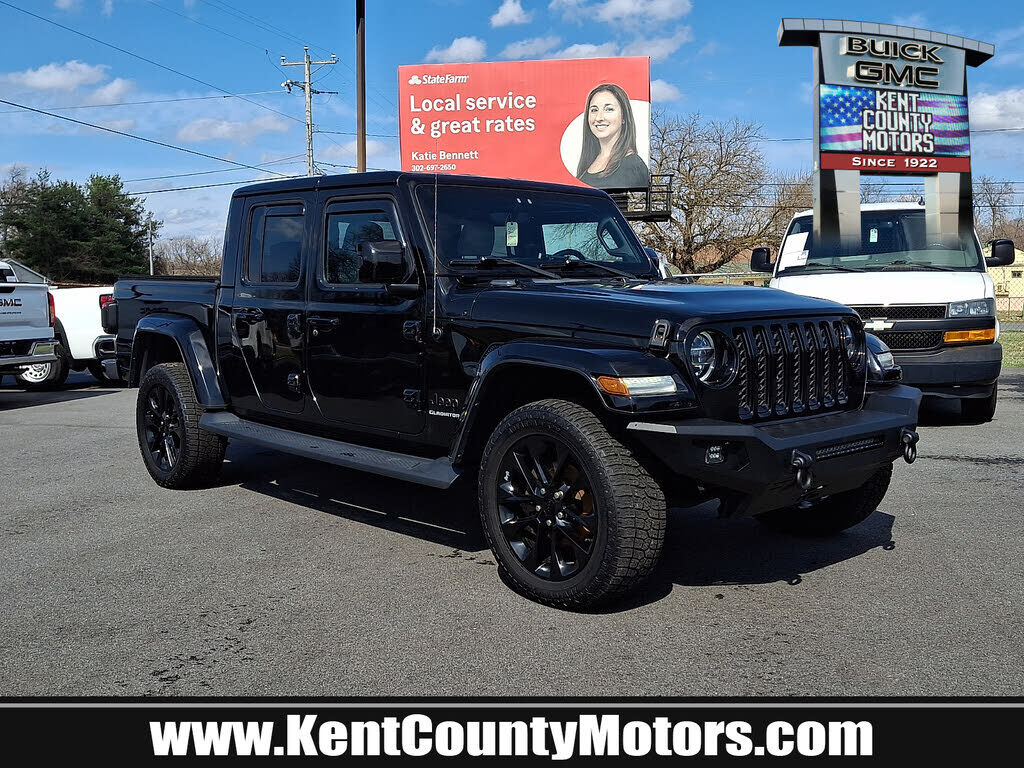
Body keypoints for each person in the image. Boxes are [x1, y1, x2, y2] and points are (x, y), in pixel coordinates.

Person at [575, 83, 649, 190]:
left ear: (624, 117)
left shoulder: (634, 166)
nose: (599, 117)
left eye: (609, 109)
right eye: (594, 110)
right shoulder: (585, 165)